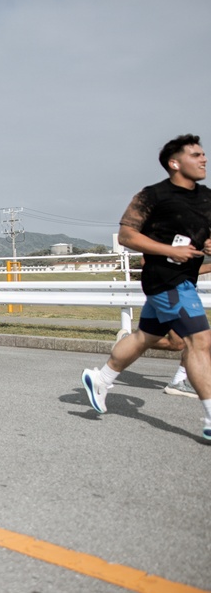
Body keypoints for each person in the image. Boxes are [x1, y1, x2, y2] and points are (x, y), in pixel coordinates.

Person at [81, 134, 211, 442]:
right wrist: (169, 250)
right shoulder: (152, 196)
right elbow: (127, 235)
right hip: (166, 279)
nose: (203, 159)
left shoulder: (206, 197)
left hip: (185, 278)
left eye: (203, 154)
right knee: (200, 342)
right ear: (174, 163)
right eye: (196, 155)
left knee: (142, 337)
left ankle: (100, 379)